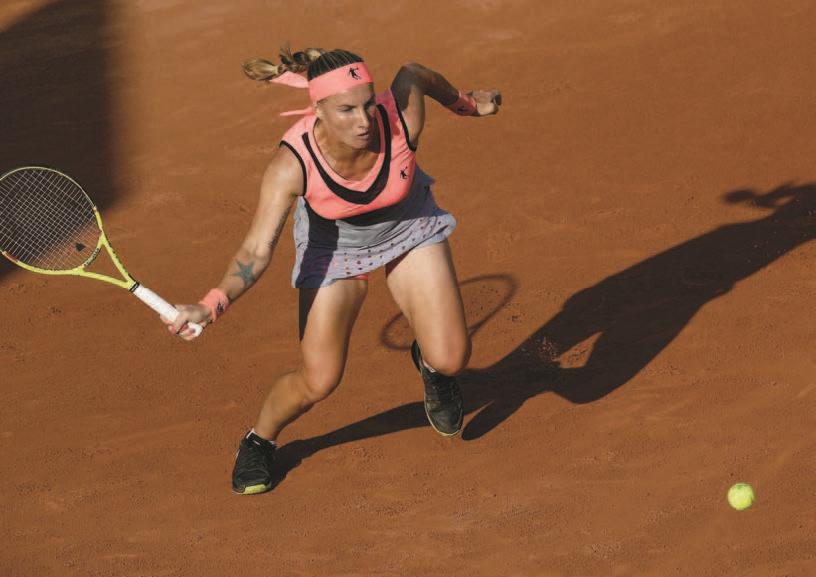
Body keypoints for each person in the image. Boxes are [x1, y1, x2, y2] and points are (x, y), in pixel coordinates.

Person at [163, 47, 502, 495]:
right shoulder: (292, 164)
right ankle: (259, 439)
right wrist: (211, 305)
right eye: (346, 110)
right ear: (317, 109)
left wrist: (465, 104)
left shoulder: (400, 119)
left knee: (451, 359)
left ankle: (432, 368)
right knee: (319, 379)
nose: (364, 121)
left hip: (409, 225)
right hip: (336, 249)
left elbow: (415, 73)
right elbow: (256, 251)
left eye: (368, 104)